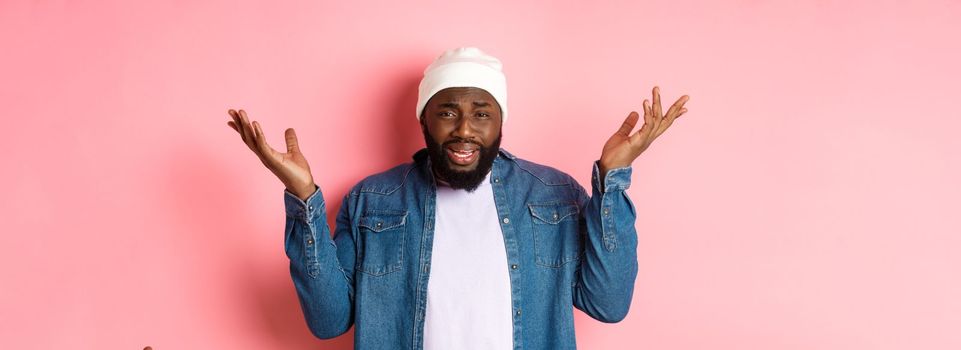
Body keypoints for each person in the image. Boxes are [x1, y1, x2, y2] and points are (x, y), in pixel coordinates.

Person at [226, 47, 689, 350]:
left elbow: (608, 304)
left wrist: (611, 178)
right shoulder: (372, 200)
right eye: (447, 111)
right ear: (424, 120)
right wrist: (302, 195)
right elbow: (328, 321)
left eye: (481, 113)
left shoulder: (554, 195)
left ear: (500, 121)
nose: (464, 129)